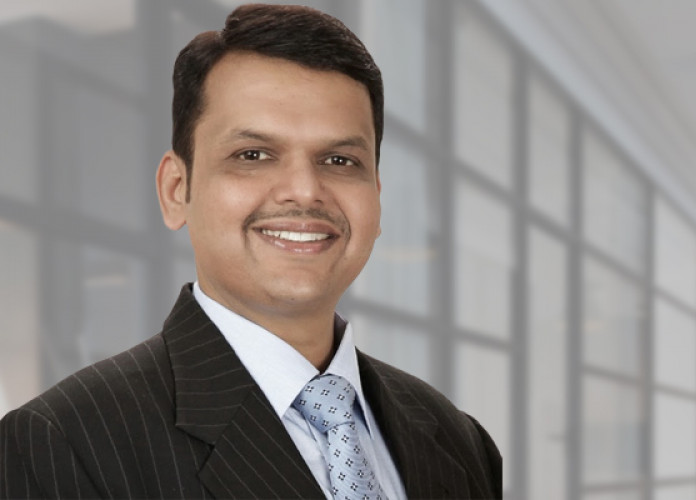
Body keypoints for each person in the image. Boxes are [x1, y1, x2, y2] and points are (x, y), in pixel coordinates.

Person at [0, 4, 502, 499]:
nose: (305, 191)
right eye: (253, 155)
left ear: (376, 195)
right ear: (177, 190)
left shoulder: (459, 440)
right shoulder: (63, 444)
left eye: (340, 160)